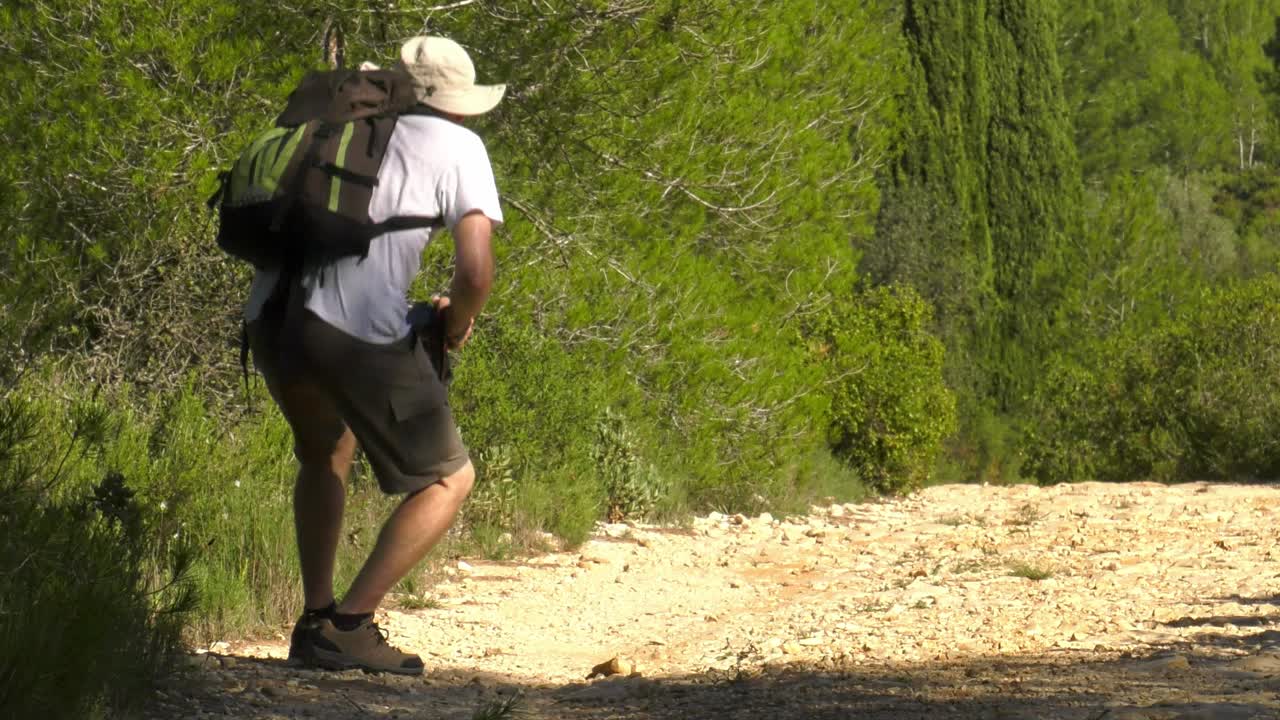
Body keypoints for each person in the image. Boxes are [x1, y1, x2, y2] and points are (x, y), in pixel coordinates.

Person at [242, 35, 504, 675]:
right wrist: (457, 324)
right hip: (348, 331)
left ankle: (314, 619)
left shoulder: (340, 127)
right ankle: (350, 626)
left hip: (270, 319)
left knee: (325, 453)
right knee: (449, 477)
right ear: (453, 103)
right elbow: (475, 272)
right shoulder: (459, 146)